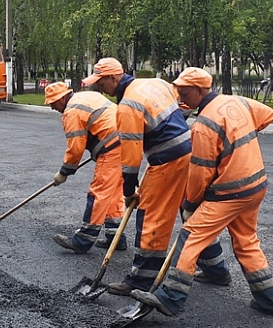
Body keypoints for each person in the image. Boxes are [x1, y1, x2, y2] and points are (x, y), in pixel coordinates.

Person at [130, 68, 273, 317]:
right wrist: (240, 140)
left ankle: (170, 297)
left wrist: (190, 204)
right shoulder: (236, 101)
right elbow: (268, 115)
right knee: (246, 242)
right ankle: (271, 302)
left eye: (185, 92)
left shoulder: (203, 126)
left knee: (191, 235)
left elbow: (200, 173)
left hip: (229, 192)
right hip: (255, 185)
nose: (180, 97)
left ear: (200, 90)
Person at [80, 58, 229, 294]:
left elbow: (130, 154)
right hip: (191, 153)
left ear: (113, 78)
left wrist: (129, 190)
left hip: (168, 161)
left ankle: (141, 280)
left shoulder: (128, 104)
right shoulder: (154, 83)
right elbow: (182, 105)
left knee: (151, 217)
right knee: (190, 212)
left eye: (100, 82)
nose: (98, 88)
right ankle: (216, 269)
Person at [43, 81, 126, 253]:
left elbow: (76, 148)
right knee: (113, 193)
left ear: (62, 98)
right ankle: (115, 237)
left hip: (112, 148)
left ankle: (83, 240)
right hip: (127, 143)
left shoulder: (71, 111)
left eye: (53, 103)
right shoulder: (87, 96)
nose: (52, 108)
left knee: (99, 193)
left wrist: (64, 172)